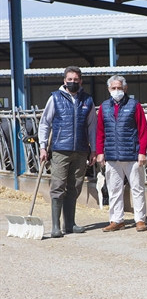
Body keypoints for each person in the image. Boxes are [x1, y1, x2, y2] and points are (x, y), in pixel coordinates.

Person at [38, 66, 97, 238]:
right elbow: (45, 123)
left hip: (80, 150)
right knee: (58, 186)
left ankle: (69, 224)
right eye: (69, 79)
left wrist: (93, 149)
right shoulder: (55, 98)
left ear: (81, 81)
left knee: (75, 187)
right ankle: (56, 226)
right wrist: (43, 147)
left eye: (75, 80)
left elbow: (92, 127)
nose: (72, 82)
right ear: (64, 81)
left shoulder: (87, 100)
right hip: (59, 149)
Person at [96, 75, 147, 232]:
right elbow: (100, 132)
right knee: (114, 188)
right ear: (108, 89)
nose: (116, 91)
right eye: (113, 88)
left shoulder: (134, 105)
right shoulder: (104, 107)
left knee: (137, 187)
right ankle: (117, 220)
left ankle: (140, 220)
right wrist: (100, 152)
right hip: (112, 154)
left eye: (119, 88)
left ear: (125, 89)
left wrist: (142, 152)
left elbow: (143, 130)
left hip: (132, 153)